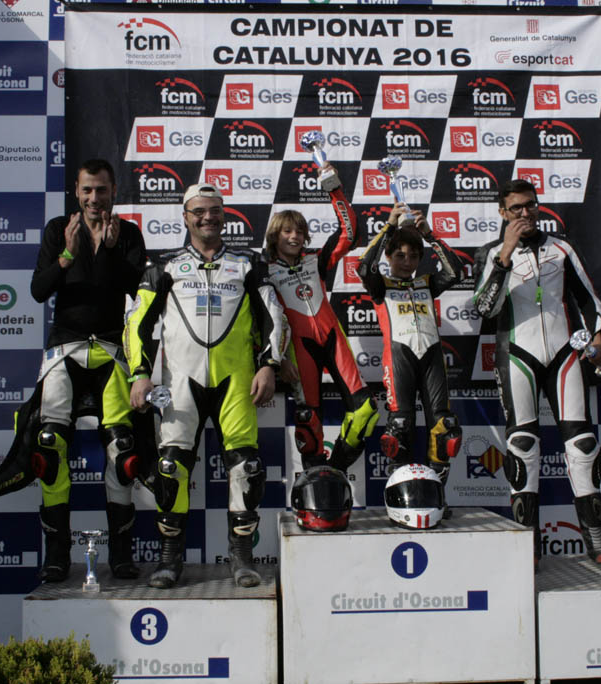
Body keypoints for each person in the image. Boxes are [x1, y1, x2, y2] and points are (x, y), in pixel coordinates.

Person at [127, 183, 287, 589]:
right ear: (185, 217)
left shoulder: (247, 264)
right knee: (170, 467)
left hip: (237, 380)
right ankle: (169, 559)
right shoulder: (164, 266)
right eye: (198, 211)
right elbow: (138, 323)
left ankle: (242, 557)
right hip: (181, 380)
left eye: (214, 210)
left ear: (224, 214)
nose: (207, 217)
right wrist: (140, 373)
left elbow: (273, 316)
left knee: (246, 468)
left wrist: (269, 365)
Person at [473, 178, 601, 571]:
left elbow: (588, 297)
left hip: (564, 353)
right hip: (517, 354)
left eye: (531, 205)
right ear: (503, 213)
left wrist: (599, 335)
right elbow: (484, 308)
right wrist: (506, 253)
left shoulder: (562, 247)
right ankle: (528, 547)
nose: (526, 213)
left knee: (583, 445)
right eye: (516, 208)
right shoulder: (491, 253)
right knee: (522, 445)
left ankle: (597, 541)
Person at [28, 159, 146, 582]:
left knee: (123, 451)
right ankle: (57, 555)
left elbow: (136, 289)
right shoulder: (59, 229)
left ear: (114, 191)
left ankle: (121, 555)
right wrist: (66, 255)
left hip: (112, 350)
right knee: (49, 446)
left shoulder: (128, 233)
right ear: (76, 192)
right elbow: (38, 290)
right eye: (87, 190)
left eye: (101, 190)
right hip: (65, 348)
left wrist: (111, 250)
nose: (94, 198)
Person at [263, 162, 377, 472]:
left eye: (300, 231)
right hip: (299, 350)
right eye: (288, 231)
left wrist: (333, 188)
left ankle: (335, 468)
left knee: (366, 409)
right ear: (274, 235)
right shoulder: (264, 271)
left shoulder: (316, 260)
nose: (295, 236)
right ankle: (315, 477)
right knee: (308, 421)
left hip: (332, 338)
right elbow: (262, 320)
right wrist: (277, 360)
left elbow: (350, 232)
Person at [356, 204, 463, 484]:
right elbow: (363, 266)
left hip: (432, 359)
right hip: (399, 358)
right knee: (399, 428)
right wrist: (389, 226)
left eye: (414, 256)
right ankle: (402, 492)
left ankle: (436, 492)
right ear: (389, 257)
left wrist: (430, 235)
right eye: (400, 256)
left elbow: (456, 271)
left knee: (443, 427)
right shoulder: (381, 286)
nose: (407, 262)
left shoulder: (427, 283)